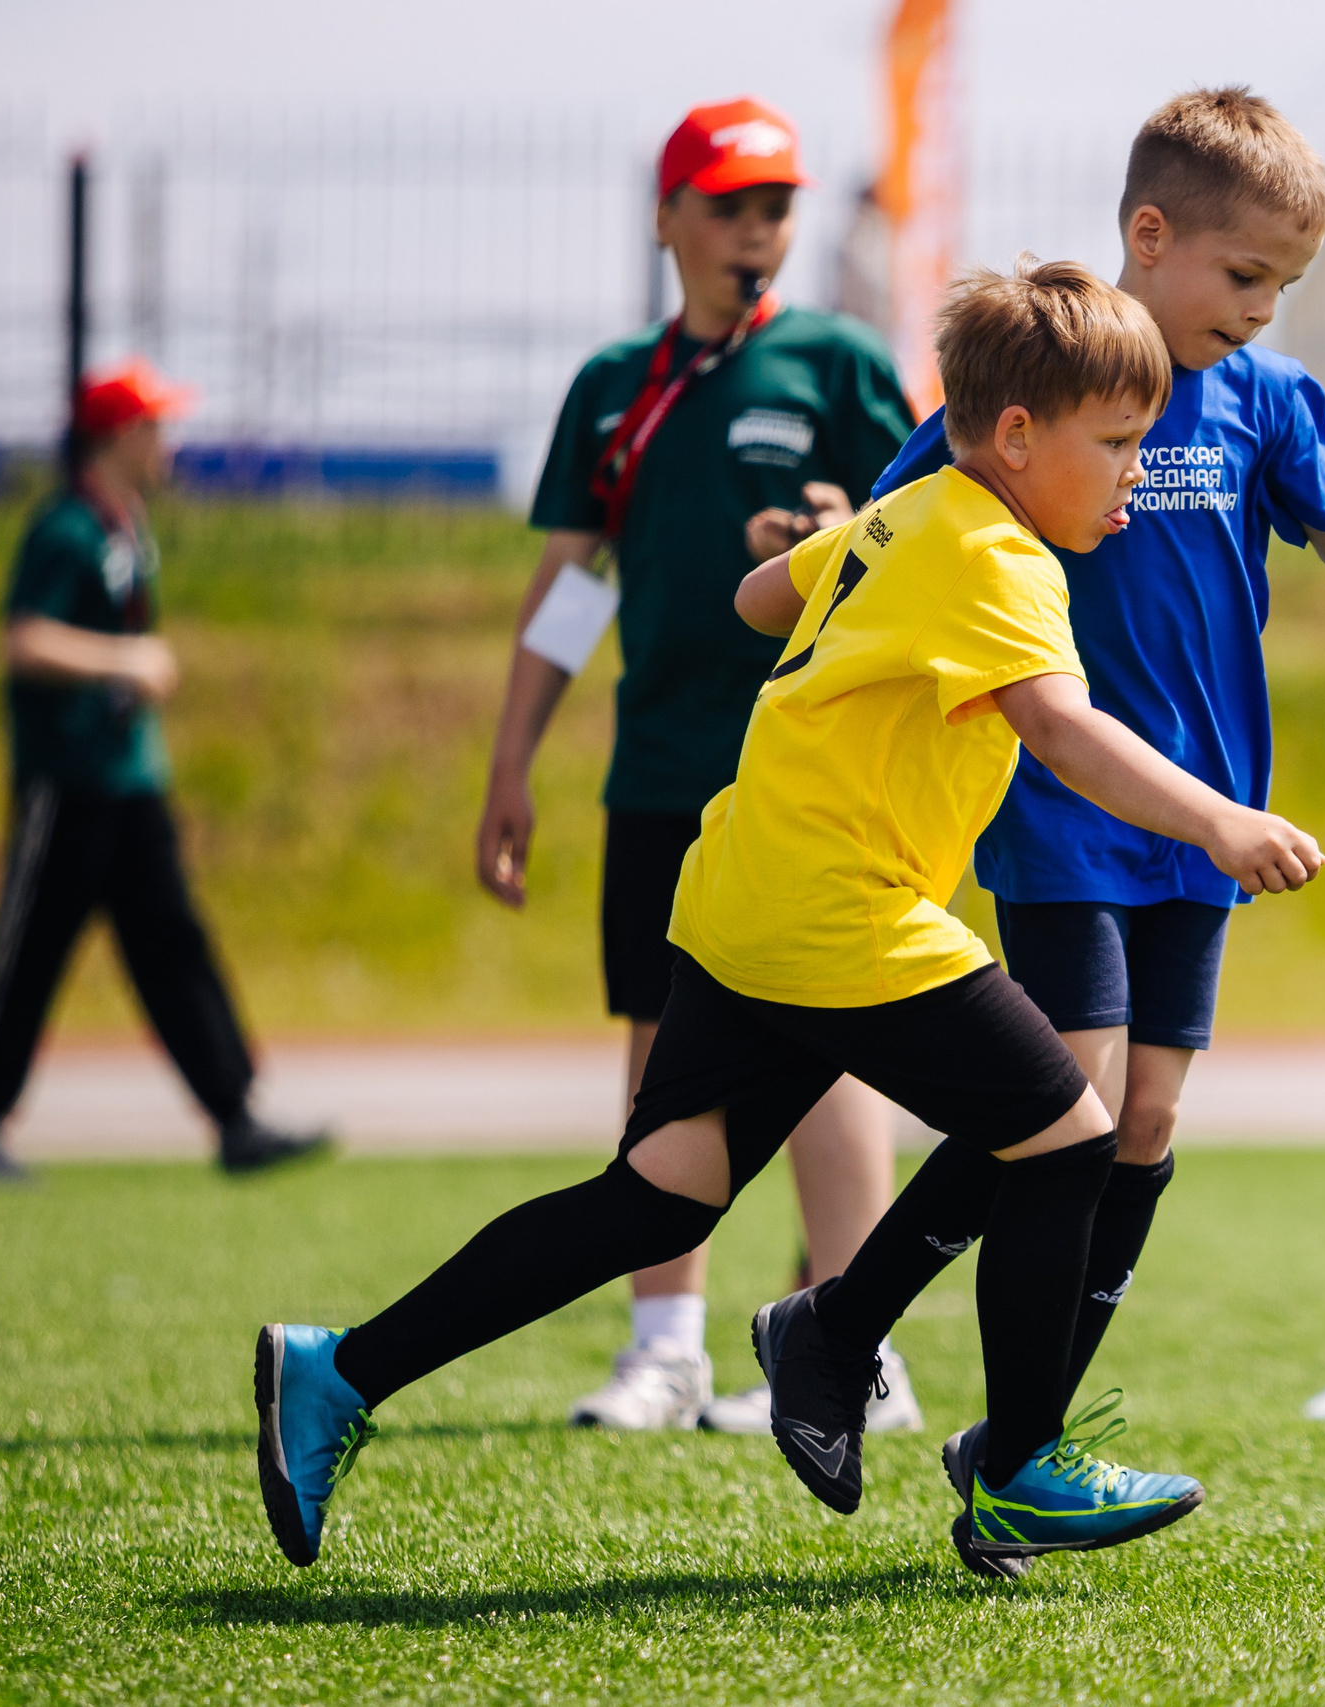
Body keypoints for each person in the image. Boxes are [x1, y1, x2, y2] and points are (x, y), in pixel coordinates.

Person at [253, 258, 1324, 1575]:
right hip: (840, 912)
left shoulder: (909, 512)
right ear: (1017, 436)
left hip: (740, 896)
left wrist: (818, 552)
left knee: (659, 1197)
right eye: (1115, 444)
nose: (1132, 473)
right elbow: (1062, 728)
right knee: (1066, 1137)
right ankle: (1014, 1459)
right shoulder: (999, 555)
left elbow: (763, 603)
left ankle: (342, 1368)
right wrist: (1219, 821)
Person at [840, 87, 1325, 1576]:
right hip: (1062, 803)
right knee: (1072, 1104)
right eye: (1245, 278)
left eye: (1284, 287)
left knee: (1145, 1125)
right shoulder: (1055, 374)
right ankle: (922, 1377)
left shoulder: (1267, 399)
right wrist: (812, 564)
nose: (1261, 310)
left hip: (1206, 818)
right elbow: (897, 520)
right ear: (1149, 238)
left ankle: (994, 1435)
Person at [476, 97, 921, 1434]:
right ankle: (664, 1346)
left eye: (777, 206)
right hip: (659, 773)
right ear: (668, 216)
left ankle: (861, 1349)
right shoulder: (616, 389)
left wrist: (842, 523)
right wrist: (512, 765)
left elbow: (925, 525)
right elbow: (571, 588)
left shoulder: (839, 364)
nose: (757, 231)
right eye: (728, 205)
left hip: (808, 779)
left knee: (835, 1043)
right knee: (664, 1056)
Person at [0, 360, 332, 1183]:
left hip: (132, 782)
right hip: (70, 781)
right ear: (118, 435)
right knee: (31, 950)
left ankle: (235, 1115)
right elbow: (25, 640)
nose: (168, 443)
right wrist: (125, 660)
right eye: (156, 427)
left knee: (173, 945)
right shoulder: (66, 530)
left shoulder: (130, 525)